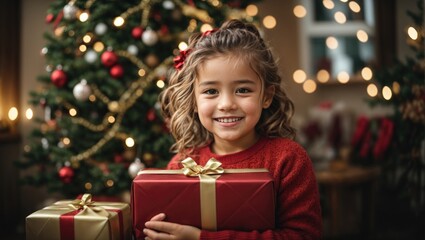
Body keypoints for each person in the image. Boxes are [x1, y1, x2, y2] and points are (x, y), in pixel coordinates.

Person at [143, 19, 322, 240]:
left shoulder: (288, 159)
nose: (226, 104)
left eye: (243, 89)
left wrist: (201, 238)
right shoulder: (183, 164)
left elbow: (303, 236)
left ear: (266, 96)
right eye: (211, 91)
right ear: (194, 99)